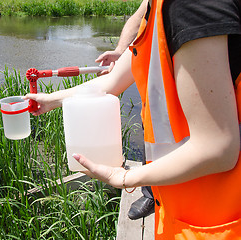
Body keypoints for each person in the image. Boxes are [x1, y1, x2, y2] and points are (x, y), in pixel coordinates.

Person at [25, 0, 241, 238]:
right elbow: (110, 82)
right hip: (179, 201)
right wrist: (50, 100)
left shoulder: (191, 7)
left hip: (218, 211)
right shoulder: (157, 8)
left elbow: (218, 148)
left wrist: (126, 177)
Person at [95, 0, 155, 221]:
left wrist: (124, 178)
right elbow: (141, 14)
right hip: (160, 84)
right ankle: (151, 192)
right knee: (152, 129)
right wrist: (121, 51)